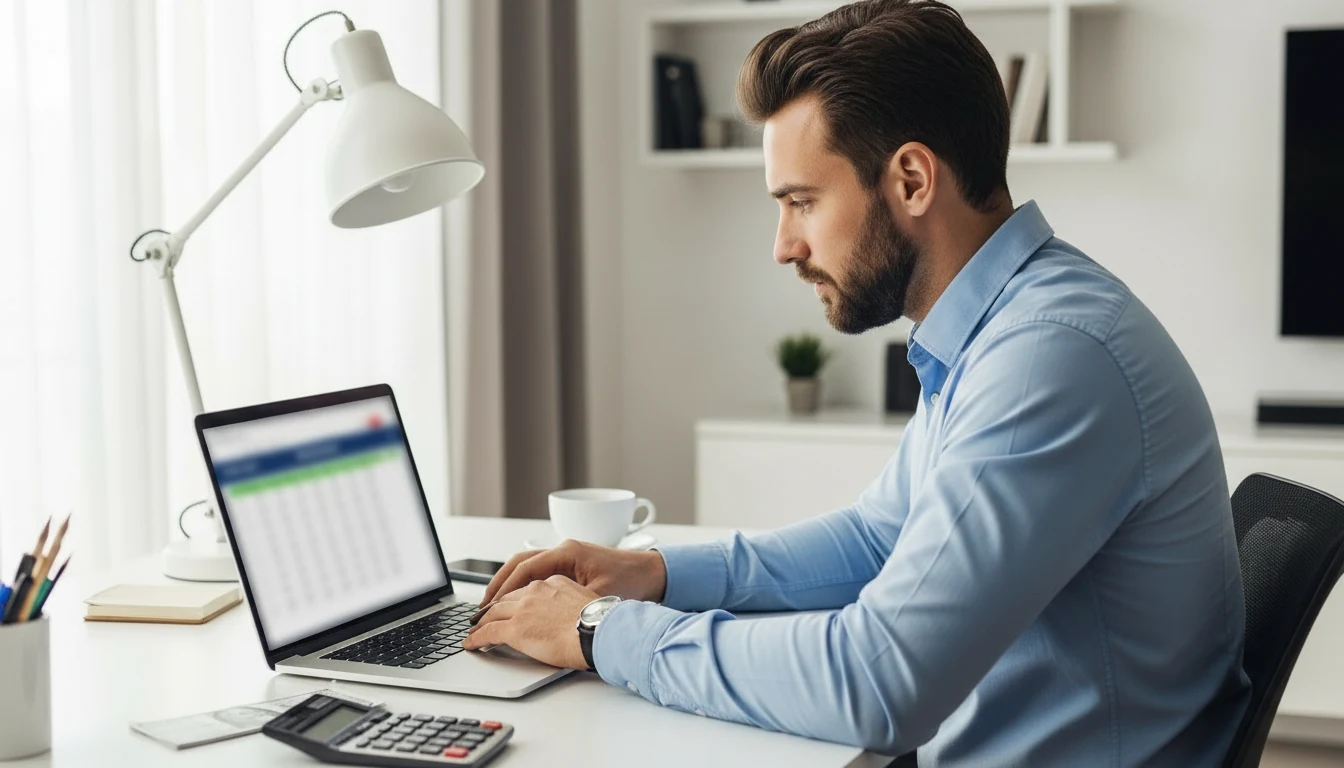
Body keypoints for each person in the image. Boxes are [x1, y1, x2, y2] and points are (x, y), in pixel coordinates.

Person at [463, 0, 1251, 763]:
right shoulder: (1000, 329)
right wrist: (660, 575)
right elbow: (880, 538)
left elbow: (878, 680)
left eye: (801, 201)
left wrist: (600, 630)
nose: (783, 245)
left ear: (911, 180)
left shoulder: (1048, 358)